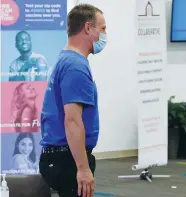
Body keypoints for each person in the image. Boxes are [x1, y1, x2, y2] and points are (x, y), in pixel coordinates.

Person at [39, 4, 107, 197]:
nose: (105, 35)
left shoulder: (67, 59)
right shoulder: (76, 66)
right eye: (102, 29)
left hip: (61, 157)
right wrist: (83, 168)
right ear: (87, 28)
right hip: (67, 159)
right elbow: (72, 120)